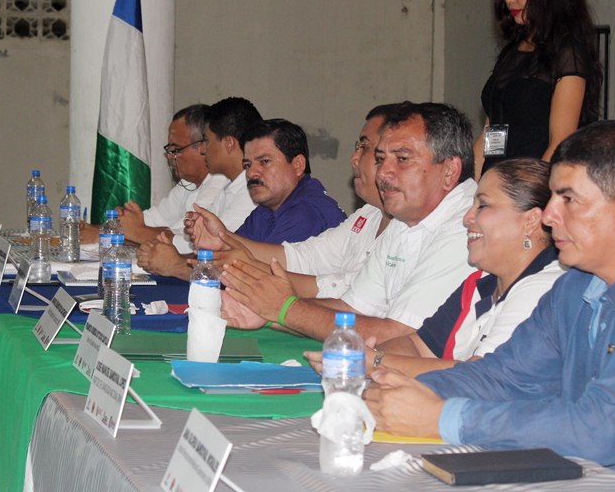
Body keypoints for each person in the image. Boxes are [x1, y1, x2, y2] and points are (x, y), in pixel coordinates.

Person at [366, 121, 615, 492]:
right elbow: (503, 377)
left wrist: (440, 418)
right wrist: (396, 392)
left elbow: (602, 427)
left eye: (567, 199)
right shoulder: (577, 284)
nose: (548, 215)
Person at [220, 102, 477, 342]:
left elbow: (398, 334)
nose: (384, 173)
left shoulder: (467, 226)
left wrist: (283, 309)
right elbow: (351, 309)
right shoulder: (403, 220)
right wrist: (265, 313)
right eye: (380, 159)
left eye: (402, 158)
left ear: (450, 170)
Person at [306, 158, 562, 377]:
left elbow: (481, 377)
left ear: (531, 220)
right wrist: (368, 357)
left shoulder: (544, 288)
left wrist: (373, 363)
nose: (466, 218)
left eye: (482, 206)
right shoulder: (478, 284)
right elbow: (417, 346)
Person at [190, 106, 392, 299]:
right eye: (248, 165)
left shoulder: (308, 211)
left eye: (264, 162)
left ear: (297, 165)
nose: (251, 173)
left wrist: (232, 255)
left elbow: (342, 292)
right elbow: (303, 258)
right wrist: (223, 239)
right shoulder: (367, 214)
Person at [474, 0, 602, 178]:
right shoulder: (512, 51)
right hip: (499, 187)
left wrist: (528, 198)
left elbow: (560, 143)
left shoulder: (568, 53)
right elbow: (493, 131)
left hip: (531, 192)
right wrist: (469, 187)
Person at [136, 96, 260, 277]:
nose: (203, 150)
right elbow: (199, 239)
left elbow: (222, 254)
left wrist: (168, 253)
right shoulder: (230, 186)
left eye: (207, 142)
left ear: (229, 144)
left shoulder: (251, 193)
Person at [82, 104, 227, 252]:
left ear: (203, 147)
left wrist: (113, 233)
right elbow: (152, 221)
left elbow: (181, 240)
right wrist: (111, 226)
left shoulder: (219, 184)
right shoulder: (188, 183)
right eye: (169, 150)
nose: (170, 157)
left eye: (175, 150)